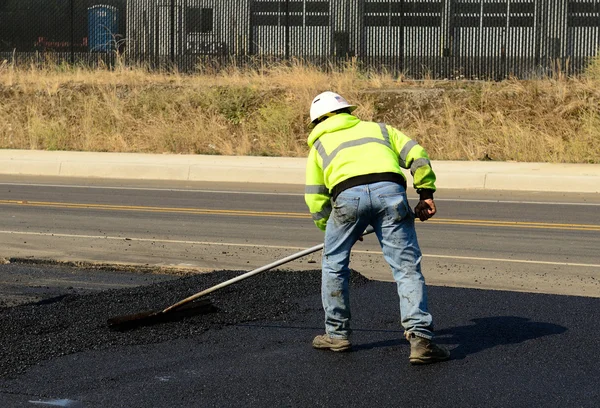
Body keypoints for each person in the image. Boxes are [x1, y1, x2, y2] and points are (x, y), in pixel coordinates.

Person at [304, 91, 450, 365]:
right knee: (406, 268)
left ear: (318, 121)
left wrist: (335, 229)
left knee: (334, 263)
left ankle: (336, 335)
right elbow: (417, 155)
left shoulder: (319, 146)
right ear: (347, 111)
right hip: (391, 193)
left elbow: (315, 197)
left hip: (347, 198)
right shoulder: (380, 130)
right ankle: (421, 341)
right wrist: (425, 193)